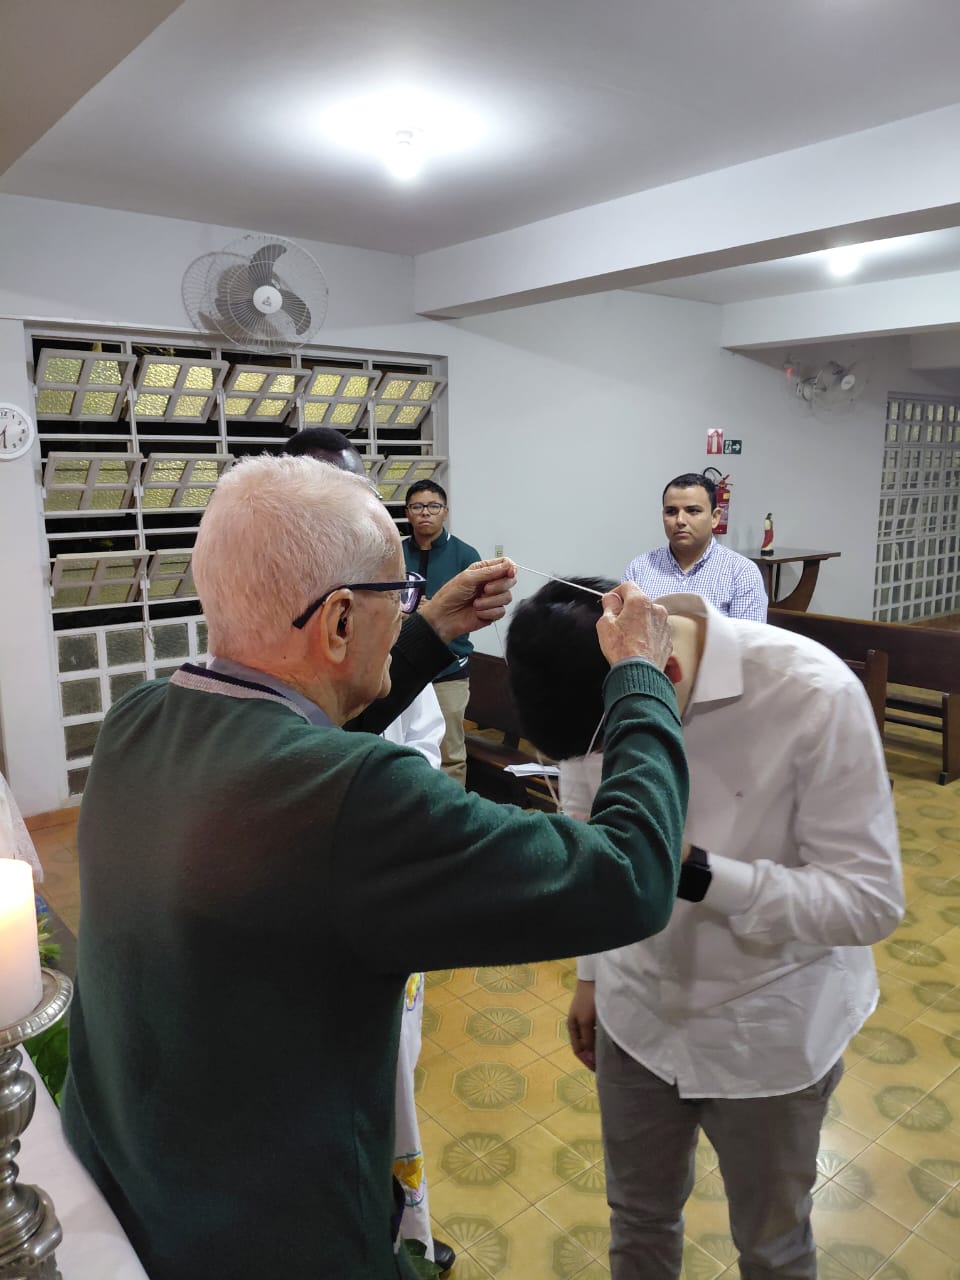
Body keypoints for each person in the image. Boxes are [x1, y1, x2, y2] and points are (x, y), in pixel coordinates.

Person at [62, 456, 690, 1280]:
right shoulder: (360, 798)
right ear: (335, 623)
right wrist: (638, 680)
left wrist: (427, 631)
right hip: (275, 1241)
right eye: (396, 597)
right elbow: (631, 876)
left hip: (128, 1186)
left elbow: (294, 744)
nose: (404, 613)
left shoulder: (138, 719)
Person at [506, 577, 903, 1280]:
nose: (599, 760)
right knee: (638, 1220)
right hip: (636, 1015)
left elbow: (869, 902)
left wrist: (701, 874)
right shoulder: (592, 688)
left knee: (774, 1248)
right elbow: (589, 830)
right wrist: (592, 975)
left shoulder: (810, 692)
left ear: (662, 667)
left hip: (765, 1028)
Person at [285, 425, 454, 1273]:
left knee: (389, 1067)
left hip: (379, 874)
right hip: (290, 890)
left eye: (356, 494)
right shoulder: (266, 608)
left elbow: (419, 741)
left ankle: (400, 1230)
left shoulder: (388, 610)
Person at [284, 427, 507, 737]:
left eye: (364, 496)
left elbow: (405, 728)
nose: (425, 513)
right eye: (417, 507)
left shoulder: (431, 555)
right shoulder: (271, 603)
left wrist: (436, 621)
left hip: (441, 672)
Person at [402, 479, 480, 784]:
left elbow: (475, 608)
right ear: (407, 513)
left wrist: (436, 610)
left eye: (433, 506)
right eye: (417, 506)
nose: (425, 513)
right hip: (401, 667)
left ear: (445, 512)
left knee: (451, 754)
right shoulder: (394, 552)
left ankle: (449, 810)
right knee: (402, 747)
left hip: (448, 669)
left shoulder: (465, 555)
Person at [623, 472, 767, 621]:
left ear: (715, 517)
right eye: (671, 511)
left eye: (693, 511)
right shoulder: (639, 569)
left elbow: (747, 636)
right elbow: (624, 630)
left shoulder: (742, 573)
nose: (680, 520)